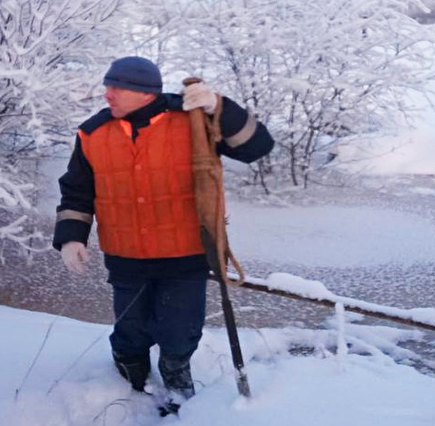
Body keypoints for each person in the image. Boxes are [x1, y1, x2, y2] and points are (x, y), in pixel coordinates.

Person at [53, 56, 273, 407]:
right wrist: (71, 237)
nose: (107, 95)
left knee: (180, 329)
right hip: (126, 255)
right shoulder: (92, 133)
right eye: (107, 87)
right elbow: (76, 190)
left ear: (144, 92)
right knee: (130, 329)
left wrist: (220, 106)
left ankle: (175, 372)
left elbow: (257, 146)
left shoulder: (194, 122)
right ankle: (128, 377)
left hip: (185, 252)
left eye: (116, 88)